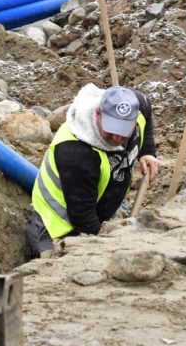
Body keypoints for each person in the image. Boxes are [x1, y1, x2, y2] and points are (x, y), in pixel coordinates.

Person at [27, 84, 160, 257]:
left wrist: (147, 151)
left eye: (123, 131)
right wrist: (106, 249)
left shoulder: (135, 105)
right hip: (56, 227)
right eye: (111, 130)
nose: (117, 137)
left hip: (99, 209)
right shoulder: (76, 152)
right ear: (98, 113)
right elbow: (83, 217)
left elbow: (147, 109)